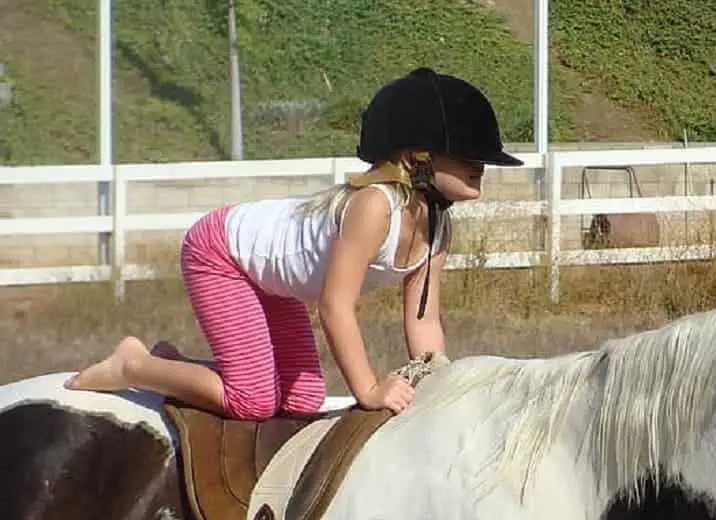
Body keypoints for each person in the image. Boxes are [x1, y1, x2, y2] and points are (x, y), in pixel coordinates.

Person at [65, 67, 524, 419]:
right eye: (467, 156)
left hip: (275, 281)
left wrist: (438, 384)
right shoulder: (374, 207)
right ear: (413, 158)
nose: (479, 165)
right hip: (222, 254)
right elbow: (335, 307)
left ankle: (174, 366)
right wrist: (367, 391)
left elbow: (423, 321)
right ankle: (133, 366)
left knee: (304, 398)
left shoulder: (439, 228)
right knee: (253, 400)